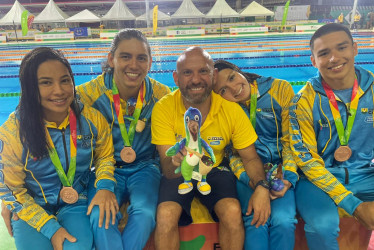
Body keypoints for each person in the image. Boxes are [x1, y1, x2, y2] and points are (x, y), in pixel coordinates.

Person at [151, 46, 271, 250]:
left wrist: (261, 186)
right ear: (176, 78)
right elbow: (167, 168)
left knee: (233, 211)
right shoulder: (164, 108)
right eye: (187, 72)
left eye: (203, 71)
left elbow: (250, 158)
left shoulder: (230, 110)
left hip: (213, 169)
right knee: (165, 215)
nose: (196, 79)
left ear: (214, 75)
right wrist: (175, 161)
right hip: (181, 172)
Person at [0, 47, 117, 250]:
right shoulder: (12, 132)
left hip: (76, 200)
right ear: (30, 88)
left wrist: (105, 185)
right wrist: (50, 228)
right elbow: (12, 189)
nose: (59, 90)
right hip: (32, 205)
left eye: (65, 80)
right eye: (46, 82)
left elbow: (105, 156)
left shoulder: (91, 119)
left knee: (78, 247)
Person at [76, 29, 171, 250]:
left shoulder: (162, 96)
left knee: (146, 213)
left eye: (141, 58)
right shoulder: (89, 94)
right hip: (105, 169)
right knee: (100, 214)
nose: (134, 65)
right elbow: (47, 107)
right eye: (125, 56)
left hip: (146, 168)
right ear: (112, 59)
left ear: (150, 63)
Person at [289, 23, 374, 250]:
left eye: (341, 48)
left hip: (366, 173)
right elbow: (306, 160)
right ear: (314, 61)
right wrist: (354, 205)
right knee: (322, 225)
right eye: (324, 53)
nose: (334, 58)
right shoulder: (303, 101)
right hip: (318, 179)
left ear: (355, 49)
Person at [213, 59, 297, 250]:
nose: (234, 89)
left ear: (238, 70)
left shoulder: (279, 89)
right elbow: (232, 154)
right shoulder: (224, 108)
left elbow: (292, 142)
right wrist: (254, 182)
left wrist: (288, 178)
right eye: (223, 90)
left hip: (281, 171)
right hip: (248, 173)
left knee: (284, 221)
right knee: (255, 220)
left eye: (232, 78)